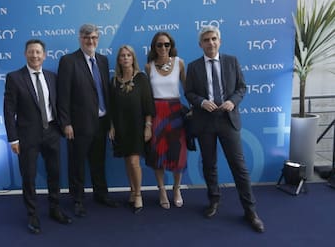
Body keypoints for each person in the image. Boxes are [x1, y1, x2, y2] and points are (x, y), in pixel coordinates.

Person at [184, 25, 265, 233]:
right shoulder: (193, 67)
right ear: (200, 44)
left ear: (219, 41)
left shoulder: (232, 61)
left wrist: (233, 101)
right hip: (205, 121)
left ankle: (250, 211)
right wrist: (201, 102)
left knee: (239, 166)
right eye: (206, 40)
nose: (210, 43)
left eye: (213, 39)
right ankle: (213, 200)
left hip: (228, 119)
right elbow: (189, 92)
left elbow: (242, 88)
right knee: (209, 165)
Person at [3, 39, 72, 234]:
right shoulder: (14, 78)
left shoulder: (52, 76)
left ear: (45, 55)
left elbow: (59, 105)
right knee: (29, 177)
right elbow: (9, 111)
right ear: (25, 54)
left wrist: (64, 125)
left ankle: (54, 208)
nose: (35, 55)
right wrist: (13, 139)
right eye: (31, 52)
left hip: (51, 132)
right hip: (27, 136)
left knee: (55, 173)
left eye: (38, 52)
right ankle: (32, 215)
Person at [57, 23, 119, 218]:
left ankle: (101, 194)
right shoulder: (68, 61)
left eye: (93, 38)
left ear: (98, 39)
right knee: (77, 164)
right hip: (78, 125)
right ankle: (78, 200)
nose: (90, 41)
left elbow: (105, 92)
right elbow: (63, 94)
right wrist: (66, 123)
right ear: (80, 39)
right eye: (86, 38)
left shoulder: (102, 60)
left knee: (98, 162)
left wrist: (110, 122)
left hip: (101, 122)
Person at [108, 45, 155, 214]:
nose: (125, 58)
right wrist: (112, 126)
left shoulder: (141, 78)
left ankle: (138, 194)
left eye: (128, 55)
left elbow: (148, 104)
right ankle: (132, 190)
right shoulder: (114, 81)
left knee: (135, 161)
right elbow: (111, 107)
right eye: (122, 56)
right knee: (127, 161)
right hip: (121, 126)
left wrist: (148, 126)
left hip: (137, 126)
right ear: (119, 60)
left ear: (133, 58)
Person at [145, 32, 187, 209]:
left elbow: (188, 89)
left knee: (178, 153)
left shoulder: (179, 63)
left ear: (171, 46)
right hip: (156, 113)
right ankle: (162, 189)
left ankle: (177, 189)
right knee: (158, 153)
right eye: (159, 45)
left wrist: (195, 109)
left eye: (166, 45)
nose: (163, 48)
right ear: (154, 47)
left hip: (175, 112)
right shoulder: (149, 67)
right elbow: (146, 96)